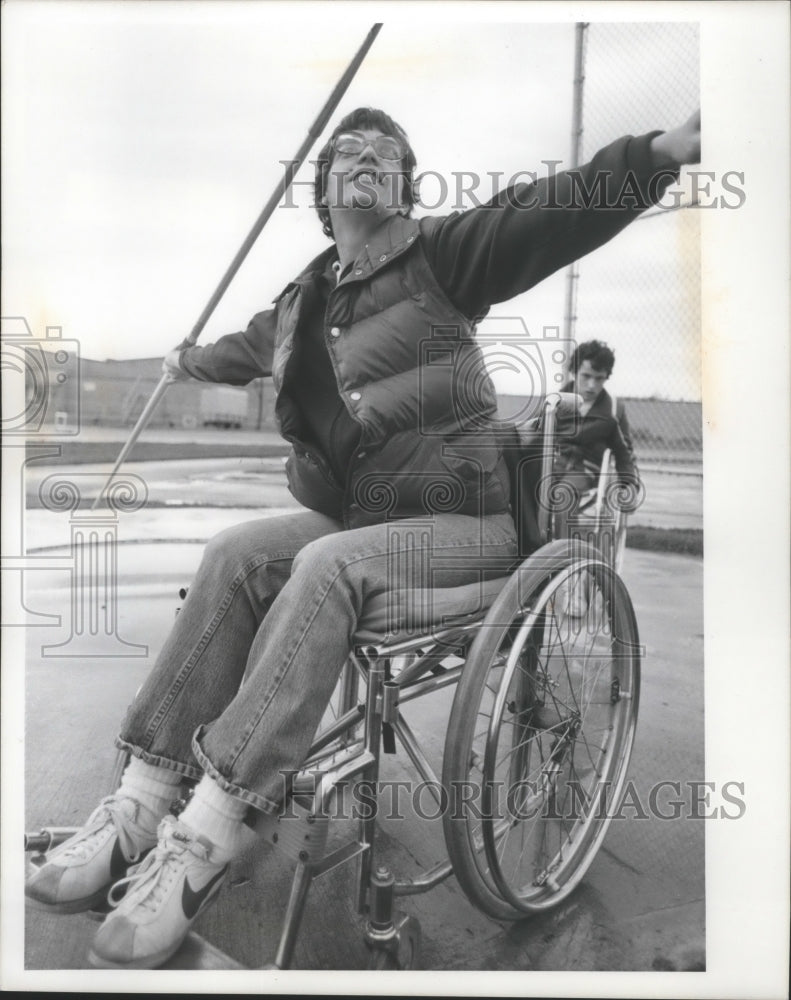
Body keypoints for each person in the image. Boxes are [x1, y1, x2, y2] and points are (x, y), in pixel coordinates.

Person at [25, 105, 701, 969]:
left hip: (467, 524)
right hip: (363, 520)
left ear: (404, 186)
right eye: (350, 150)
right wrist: (185, 363)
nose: (369, 158)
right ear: (324, 185)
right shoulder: (304, 297)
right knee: (236, 553)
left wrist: (658, 155)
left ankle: (209, 831)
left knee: (324, 565)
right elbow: (241, 349)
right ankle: (139, 801)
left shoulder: (443, 256)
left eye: (389, 153)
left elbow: (552, 209)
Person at [552, 339, 642, 536]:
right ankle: (530, 545)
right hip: (554, 465)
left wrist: (629, 485)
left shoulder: (612, 411)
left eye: (599, 378)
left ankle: (563, 555)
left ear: (606, 378)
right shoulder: (555, 403)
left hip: (585, 470)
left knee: (563, 495)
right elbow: (537, 438)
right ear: (574, 372)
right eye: (586, 376)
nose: (592, 385)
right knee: (523, 487)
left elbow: (624, 452)